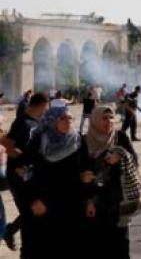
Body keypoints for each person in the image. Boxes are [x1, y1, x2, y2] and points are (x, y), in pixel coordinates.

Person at [79, 104, 139, 258]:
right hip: (95, 200)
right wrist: (88, 200)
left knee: (121, 245)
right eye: (104, 118)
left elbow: (134, 161)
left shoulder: (120, 138)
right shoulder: (84, 142)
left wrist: (121, 155)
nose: (108, 121)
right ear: (95, 120)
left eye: (111, 117)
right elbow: (80, 171)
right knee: (98, 245)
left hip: (119, 200)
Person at [23, 106, 82, 257]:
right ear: (52, 120)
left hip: (71, 203)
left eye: (70, 118)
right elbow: (27, 172)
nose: (67, 121)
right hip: (44, 203)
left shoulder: (78, 140)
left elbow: (85, 167)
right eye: (62, 118)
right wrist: (34, 199)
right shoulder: (39, 140)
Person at [1, 92, 49, 254]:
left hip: (32, 175)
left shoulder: (39, 121)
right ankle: (19, 241)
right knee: (30, 213)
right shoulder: (22, 122)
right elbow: (5, 143)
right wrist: (20, 156)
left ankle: (13, 231)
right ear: (42, 105)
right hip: (17, 175)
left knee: (35, 210)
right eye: (46, 107)